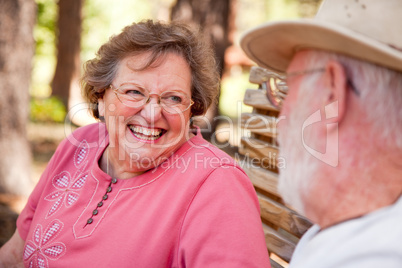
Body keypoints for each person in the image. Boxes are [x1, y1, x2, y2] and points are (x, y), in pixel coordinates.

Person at [0, 20, 270, 267]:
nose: (153, 114)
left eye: (174, 98)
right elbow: (16, 251)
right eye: (133, 92)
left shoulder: (216, 184)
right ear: (101, 97)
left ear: (192, 109)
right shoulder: (79, 144)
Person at [240, 0, 402, 267]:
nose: (280, 117)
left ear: (331, 94)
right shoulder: (351, 226)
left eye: (288, 89)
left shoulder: (375, 257)